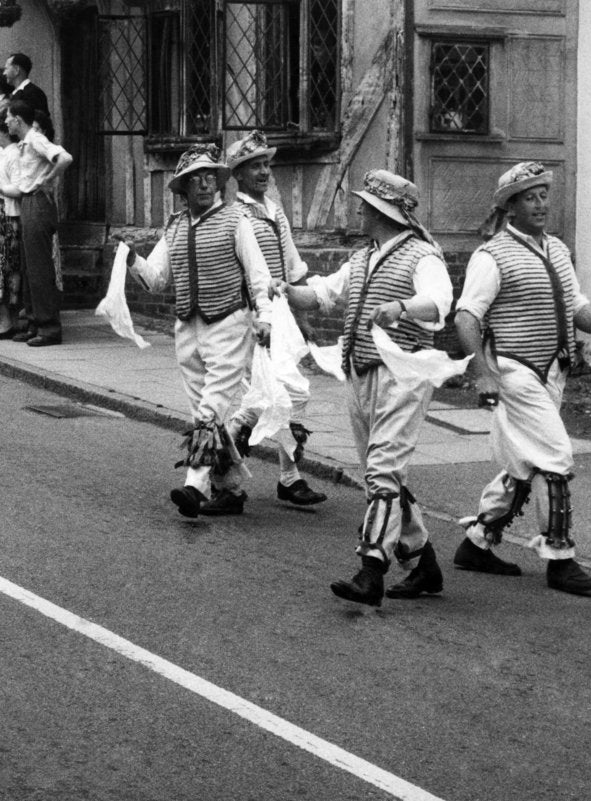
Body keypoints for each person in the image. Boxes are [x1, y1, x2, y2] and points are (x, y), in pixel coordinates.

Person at [453, 161, 591, 595]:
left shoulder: (559, 251)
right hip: (513, 371)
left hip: (553, 370)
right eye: (530, 197)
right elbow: (467, 317)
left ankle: (477, 542)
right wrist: (485, 372)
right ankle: (560, 558)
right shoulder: (491, 255)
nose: (541, 204)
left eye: (544, 195)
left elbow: (577, 306)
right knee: (555, 456)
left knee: (524, 462)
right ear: (510, 207)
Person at [282, 170, 452, 607]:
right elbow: (322, 293)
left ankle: (371, 568)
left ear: (381, 211)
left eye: (364, 205)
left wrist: (402, 307)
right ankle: (422, 560)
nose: (358, 211)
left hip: (404, 374)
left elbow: (440, 301)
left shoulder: (422, 256)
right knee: (381, 474)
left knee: (382, 469)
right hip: (360, 373)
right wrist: (283, 290)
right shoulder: (362, 258)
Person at [120, 143, 273, 518]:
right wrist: (131, 260)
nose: (205, 185)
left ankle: (196, 484)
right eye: (196, 179)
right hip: (187, 327)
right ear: (184, 188)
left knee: (212, 407)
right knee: (204, 413)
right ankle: (230, 490)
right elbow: (156, 279)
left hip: (228, 323)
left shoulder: (236, 220)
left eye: (210, 177)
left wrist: (265, 316)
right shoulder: (174, 227)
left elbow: (258, 275)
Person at [198, 130, 327, 515]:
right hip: (248, 314)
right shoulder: (232, 214)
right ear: (236, 174)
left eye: (266, 164)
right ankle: (225, 483)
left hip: (279, 312)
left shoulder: (273, 209)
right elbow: (227, 269)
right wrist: (249, 314)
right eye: (254, 166)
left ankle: (286, 479)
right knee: (259, 397)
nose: (264, 172)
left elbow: (291, 264)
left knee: (286, 393)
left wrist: (300, 317)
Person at [4, 99, 71, 347]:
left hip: (37, 202)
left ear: (18, 120)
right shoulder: (25, 143)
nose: (6, 122)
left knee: (40, 267)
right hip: (28, 202)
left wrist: (48, 179)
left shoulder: (35, 138)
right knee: (29, 267)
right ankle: (34, 322)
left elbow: (64, 157)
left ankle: (49, 327)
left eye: (9, 118)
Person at [0, 105, 20, 338]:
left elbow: (20, 187)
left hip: (10, 215)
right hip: (4, 214)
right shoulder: (5, 153)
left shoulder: (13, 153)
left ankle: (9, 321)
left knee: (9, 269)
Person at [4, 53, 49, 117]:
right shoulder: (13, 94)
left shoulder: (34, 93)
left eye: (6, 69)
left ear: (16, 70)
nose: (4, 73)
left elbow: (40, 122)